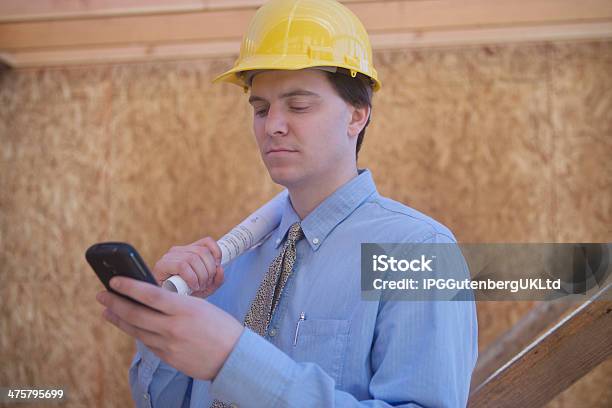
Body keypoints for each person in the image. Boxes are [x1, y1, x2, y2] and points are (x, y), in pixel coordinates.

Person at [95, 0, 478, 406]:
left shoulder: (420, 251)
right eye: (260, 108)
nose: (272, 126)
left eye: (298, 105)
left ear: (357, 116)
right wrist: (167, 327)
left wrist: (233, 359)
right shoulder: (230, 264)